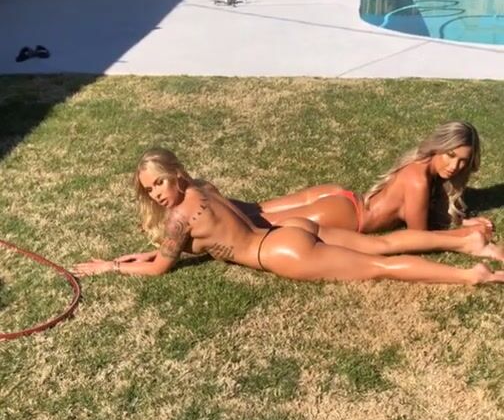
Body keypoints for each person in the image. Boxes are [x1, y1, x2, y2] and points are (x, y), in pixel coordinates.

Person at [72, 148, 504, 286]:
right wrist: (141, 255)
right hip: (287, 230)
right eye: (149, 189)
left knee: (379, 266)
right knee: (383, 244)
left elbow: (162, 267)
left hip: (280, 251)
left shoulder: (177, 221)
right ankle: (467, 242)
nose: (156, 194)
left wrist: (113, 266)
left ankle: (471, 275)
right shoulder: (203, 188)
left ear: (176, 175)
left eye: (159, 184)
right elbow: (177, 247)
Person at [260, 121, 489, 233]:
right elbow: (419, 237)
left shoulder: (421, 167)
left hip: (345, 200)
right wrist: (465, 233)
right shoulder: (418, 181)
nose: (455, 166)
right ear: (438, 147)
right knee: (259, 225)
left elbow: (428, 213)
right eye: (450, 155)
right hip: (349, 216)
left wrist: (461, 221)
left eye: (463, 161)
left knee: (255, 211)